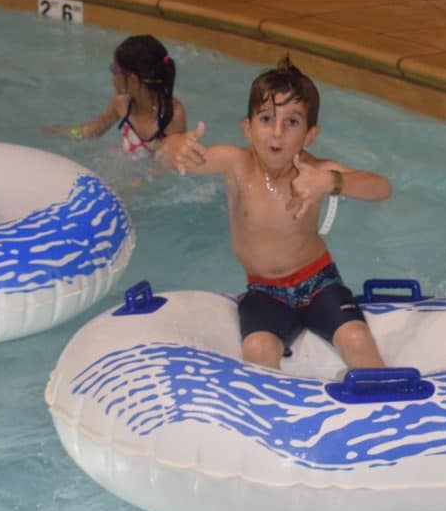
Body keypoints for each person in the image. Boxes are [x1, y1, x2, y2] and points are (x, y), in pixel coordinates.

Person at [161, 56, 391, 371]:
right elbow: (175, 159)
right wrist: (174, 145)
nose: (277, 133)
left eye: (292, 122)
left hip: (320, 283)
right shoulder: (236, 165)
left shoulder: (317, 170)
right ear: (248, 127)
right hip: (264, 291)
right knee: (258, 349)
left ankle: (383, 405)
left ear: (310, 134)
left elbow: (381, 188)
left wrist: (331, 182)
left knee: (356, 339)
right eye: (266, 119)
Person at [47, 34, 185, 155]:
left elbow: (171, 164)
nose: (112, 78)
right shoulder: (122, 103)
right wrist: (63, 132)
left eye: (114, 70)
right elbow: (91, 131)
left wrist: (141, 179)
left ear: (133, 80)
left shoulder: (172, 115)